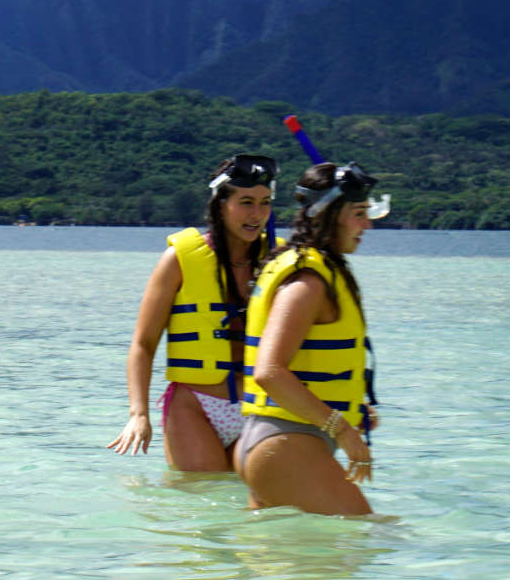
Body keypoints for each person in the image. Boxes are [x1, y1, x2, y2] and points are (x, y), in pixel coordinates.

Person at [108, 154, 281, 471]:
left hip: (261, 407)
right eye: (245, 202)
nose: (257, 214)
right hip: (197, 408)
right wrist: (139, 414)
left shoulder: (280, 263)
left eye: (265, 202)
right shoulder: (178, 260)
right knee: (204, 505)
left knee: (262, 509)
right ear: (221, 203)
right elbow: (143, 344)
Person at [235, 161, 388, 515]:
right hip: (284, 447)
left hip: (280, 447)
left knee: (280, 564)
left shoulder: (315, 271)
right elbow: (268, 372)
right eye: (358, 213)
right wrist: (343, 430)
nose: (367, 224)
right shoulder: (308, 283)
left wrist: (351, 408)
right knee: (370, 541)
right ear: (329, 214)